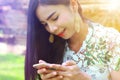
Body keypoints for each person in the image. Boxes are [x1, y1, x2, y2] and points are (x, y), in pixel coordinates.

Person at [25, 0, 120, 80]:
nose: (52, 29)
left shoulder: (110, 41)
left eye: (55, 18)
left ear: (73, 5)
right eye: (45, 24)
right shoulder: (53, 45)